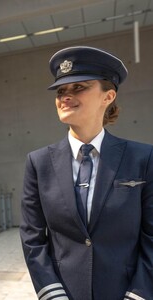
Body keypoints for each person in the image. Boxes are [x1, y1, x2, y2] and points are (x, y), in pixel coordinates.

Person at [20, 45, 153, 300]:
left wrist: (137, 295)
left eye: (78, 87)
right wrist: (53, 294)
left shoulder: (144, 159)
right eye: (61, 91)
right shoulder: (38, 163)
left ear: (108, 96)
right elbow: (32, 239)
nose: (65, 96)